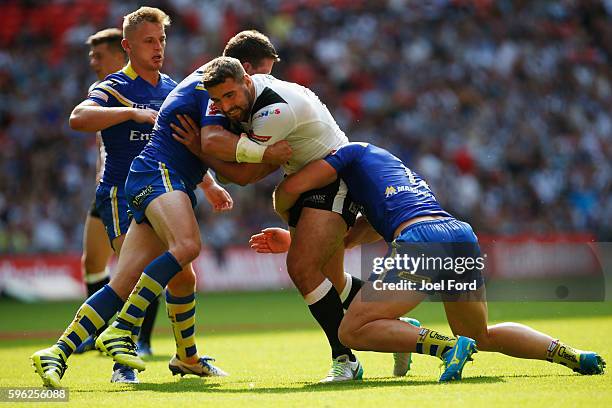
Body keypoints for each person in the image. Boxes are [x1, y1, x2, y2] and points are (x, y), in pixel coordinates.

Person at [260, 142, 606, 381]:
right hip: (458, 234)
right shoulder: (388, 170)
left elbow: (293, 188)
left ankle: (445, 347)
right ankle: (572, 355)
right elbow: (353, 237)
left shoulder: (349, 154)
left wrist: (285, 205)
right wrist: (296, 241)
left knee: (351, 329)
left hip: (422, 240)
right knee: (480, 334)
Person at [30, 7, 232, 388]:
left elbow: (180, 145)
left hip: (158, 190)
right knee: (134, 275)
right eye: (149, 42)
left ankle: (185, 357)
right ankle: (120, 364)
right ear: (127, 46)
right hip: (122, 193)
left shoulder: (171, 87)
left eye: (162, 41)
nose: (158, 49)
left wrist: (208, 185)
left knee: (183, 277)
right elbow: (78, 117)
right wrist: (132, 114)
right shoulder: (113, 86)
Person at [169, 55, 388, 383]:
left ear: (246, 78)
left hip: (333, 176)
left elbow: (243, 176)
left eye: (230, 96)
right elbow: (232, 163)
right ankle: (398, 330)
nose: (225, 106)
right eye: (217, 100)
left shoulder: (274, 111)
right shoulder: (245, 97)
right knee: (331, 278)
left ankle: (346, 359)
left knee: (301, 267)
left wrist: (201, 150)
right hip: (305, 179)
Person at [73, 28, 125, 355]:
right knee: (92, 262)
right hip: (104, 192)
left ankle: (139, 339)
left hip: (134, 190)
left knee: (136, 263)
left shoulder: (138, 89)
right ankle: (101, 332)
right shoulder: (101, 93)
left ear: (120, 54)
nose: (92, 61)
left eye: (98, 55)